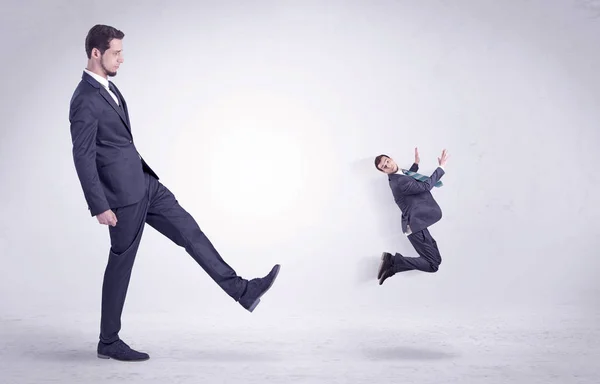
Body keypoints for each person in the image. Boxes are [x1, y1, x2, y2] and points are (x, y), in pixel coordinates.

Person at [68, 24, 281, 362]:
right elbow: (82, 155)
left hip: (146, 183)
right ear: (96, 53)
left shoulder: (110, 89)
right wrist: (99, 205)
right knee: (121, 265)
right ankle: (108, 340)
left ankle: (243, 290)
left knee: (190, 232)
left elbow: (119, 143)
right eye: (116, 53)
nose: (122, 58)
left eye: (122, 52)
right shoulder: (84, 100)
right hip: (122, 198)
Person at [374, 148, 449, 285]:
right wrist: (441, 167)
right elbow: (425, 186)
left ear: (391, 159)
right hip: (415, 225)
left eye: (387, 161)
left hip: (417, 224)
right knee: (432, 265)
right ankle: (392, 261)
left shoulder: (398, 176)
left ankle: (393, 268)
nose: (388, 165)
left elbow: (406, 177)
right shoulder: (399, 182)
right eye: (384, 167)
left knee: (436, 260)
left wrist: (415, 164)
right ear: (384, 172)